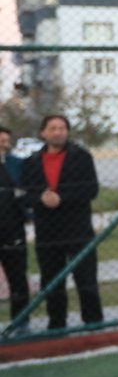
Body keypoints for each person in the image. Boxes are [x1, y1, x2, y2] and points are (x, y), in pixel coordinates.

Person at [21, 114, 101, 331]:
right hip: (47, 232)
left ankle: (93, 324)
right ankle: (57, 325)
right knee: (52, 282)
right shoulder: (31, 162)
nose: (58, 132)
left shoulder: (81, 156)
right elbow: (25, 195)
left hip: (78, 229)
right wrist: (40, 198)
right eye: (53, 128)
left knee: (86, 281)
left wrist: (61, 198)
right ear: (43, 133)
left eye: (62, 128)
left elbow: (91, 189)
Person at [0, 127, 29, 332]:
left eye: (5, 141)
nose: (3, 144)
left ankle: (20, 322)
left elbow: (26, 192)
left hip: (13, 230)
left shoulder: (17, 164)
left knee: (17, 277)